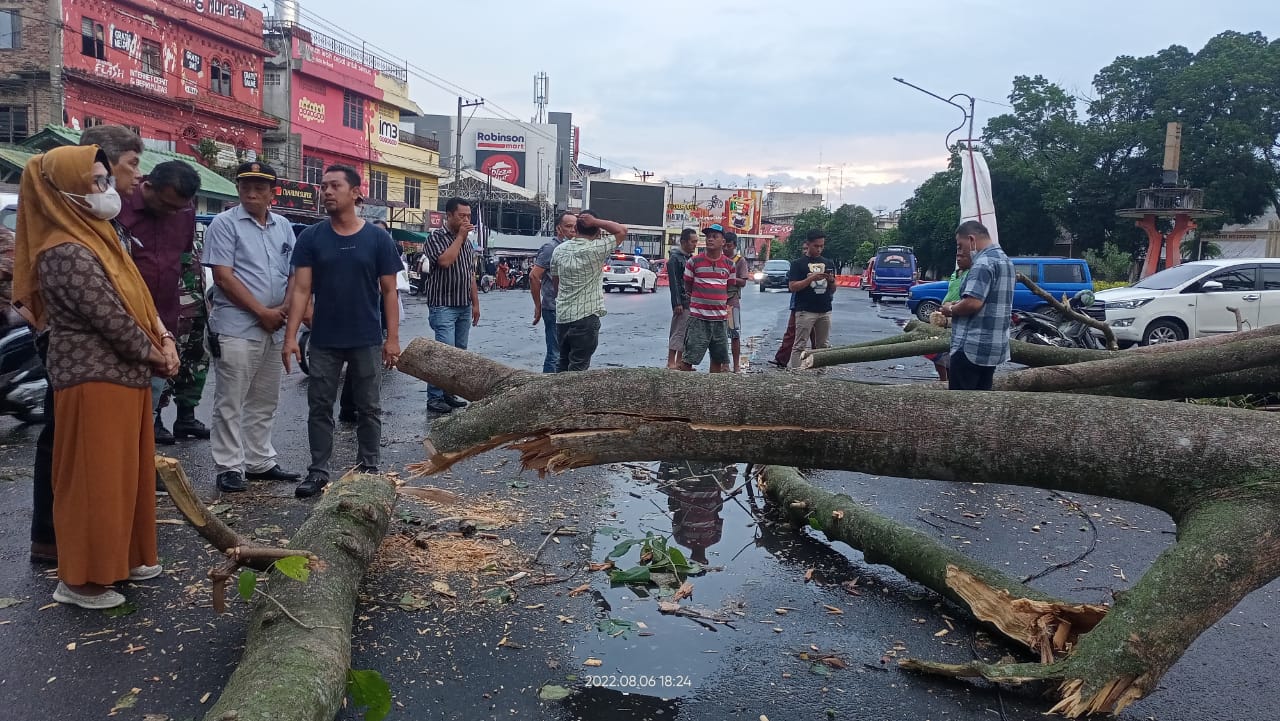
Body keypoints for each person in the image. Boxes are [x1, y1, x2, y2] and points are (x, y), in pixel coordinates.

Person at [14, 145, 179, 608]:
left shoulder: (101, 237)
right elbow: (110, 318)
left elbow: (140, 300)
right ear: (63, 189)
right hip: (92, 379)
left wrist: (164, 339)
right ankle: (81, 579)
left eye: (106, 180)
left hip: (126, 376)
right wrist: (156, 353)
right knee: (94, 480)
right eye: (95, 182)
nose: (106, 191)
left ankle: (123, 559)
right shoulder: (62, 250)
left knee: (126, 477)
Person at [29, 125, 144, 565]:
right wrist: (151, 350)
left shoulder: (104, 221)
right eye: (130, 165)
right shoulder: (66, 237)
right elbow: (105, 310)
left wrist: (159, 336)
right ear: (102, 165)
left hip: (115, 355)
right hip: (82, 356)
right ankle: (59, 541)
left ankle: (103, 545)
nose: (136, 177)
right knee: (71, 450)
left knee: (99, 456)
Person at [283, 165, 401, 498]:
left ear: (355, 193)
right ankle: (318, 471)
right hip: (323, 339)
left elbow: (390, 291)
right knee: (319, 407)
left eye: (335, 186)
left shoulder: (378, 238)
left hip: (366, 337)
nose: (327, 192)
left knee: (369, 408)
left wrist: (392, 339)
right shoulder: (311, 237)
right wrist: (291, 337)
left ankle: (368, 468)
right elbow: (301, 291)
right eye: (323, 187)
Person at [203, 162, 301, 493]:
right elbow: (223, 276)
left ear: (273, 192)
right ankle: (229, 466)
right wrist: (261, 311)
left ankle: (259, 460)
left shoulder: (284, 226)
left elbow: (293, 274)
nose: (251, 191)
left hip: (274, 325)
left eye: (259, 186)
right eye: (245, 185)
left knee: (265, 398)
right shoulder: (223, 223)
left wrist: (285, 308)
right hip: (236, 325)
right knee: (230, 399)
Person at [116, 160, 202, 443]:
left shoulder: (184, 210)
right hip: (123, 319)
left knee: (152, 397)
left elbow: (183, 259)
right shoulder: (118, 205)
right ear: (148, 187)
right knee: (123, 407)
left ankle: (144, 468)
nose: (173, 213)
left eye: (179, 208)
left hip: (165, 318)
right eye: (167, 206)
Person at [421, 197, 480, 414]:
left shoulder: (468, 243)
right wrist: (461, 237)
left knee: (459, 353)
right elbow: (445, 262)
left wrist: (475, 303)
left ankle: (448, 393)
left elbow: (469, 274)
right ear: (449, 215)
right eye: (461, 216)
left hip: (463, 305)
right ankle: (434, 397)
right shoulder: (436, 238)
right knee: (442, 353)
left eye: (468, 216)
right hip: (443, 305)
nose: (466, 220)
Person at [940, 221, 1014, 391]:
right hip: (993, 348)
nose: (959, 251)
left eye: (960, 245)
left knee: (961, 406)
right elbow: (987, 300)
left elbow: (973, 303)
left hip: (970, 348)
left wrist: (950, 309)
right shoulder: (1005, 261)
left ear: (972, 239)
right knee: (980, 405)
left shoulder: (982, 263)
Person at [549, 210, 627, 371]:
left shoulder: (559, 250)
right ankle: (570, 397)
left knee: (562, 363)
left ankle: (556, 395)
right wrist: (596, 222)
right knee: (578, 367)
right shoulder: (596, 249)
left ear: (575, 229)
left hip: (563, 316)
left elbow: (556, 284)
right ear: (598, 232)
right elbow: (622, 230)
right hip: (585, 317)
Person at [679, 224, 736, 372]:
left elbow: (730, 289)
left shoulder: (730, 265)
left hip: (719, 320)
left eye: (714, 237)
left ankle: (713, 392)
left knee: (717, 359)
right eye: (708, 236)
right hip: (698, 319)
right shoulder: (694, 262)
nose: (710, 239)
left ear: (722, 242)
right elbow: (688, 285)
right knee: (689, 358)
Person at [530, 211, 577, 373]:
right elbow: (534, 276)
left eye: (575, 227)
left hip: (570, 309)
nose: (572, 230)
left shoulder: (573, 248)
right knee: (555, 353)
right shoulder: (551, 248)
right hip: (553, 308)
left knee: (568, 354)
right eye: (568, 226)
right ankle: (546, 390)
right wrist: (538, 306)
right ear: (559, 228)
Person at [786, 230, 837, 368]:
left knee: (823, 346)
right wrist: (811, 278)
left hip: (825, 309)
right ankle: (796, 374)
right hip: (805, 309)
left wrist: (831, 281)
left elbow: (833, 289)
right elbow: (793, 286)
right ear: (808, 245)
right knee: (799, 345)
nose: (819, 249)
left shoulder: (828, 263)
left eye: (822, 246)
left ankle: (821, 374)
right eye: (816, 246)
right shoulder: (798, 264)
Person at [926, 245, 973, 382]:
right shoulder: (955, 273)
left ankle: (951, 380)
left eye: (962, 256)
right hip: (944, 314)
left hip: (957, 316)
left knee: (951, 352)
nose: (959, 259)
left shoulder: (971, 275)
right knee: (936, 351)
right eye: (957, 256)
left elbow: (970, 300)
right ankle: (943, 380)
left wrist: (952, 307)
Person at [666, 228, 697, 369]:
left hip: (691, 301)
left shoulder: (689, 258)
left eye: (696, 241)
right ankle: (671, 362)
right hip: (682, 302)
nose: (695, 244)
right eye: (692, 241)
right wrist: (677, 302)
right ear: (683, 242)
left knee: (686, 333)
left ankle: (680, 361)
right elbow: (674, 283)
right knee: (678, 331)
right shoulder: (675, 258)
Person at [722, 231, 750, 372]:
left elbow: (743, 281)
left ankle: (736, 365)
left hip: (732, 301)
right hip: (717, 301)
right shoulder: (718, 258)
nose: (726, 249)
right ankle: (724, 364)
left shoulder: (740, 260)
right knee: (719, 336)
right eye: (724, 246)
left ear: (734, 245)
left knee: (734, 334)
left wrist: (730, 279)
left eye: (729, 246)